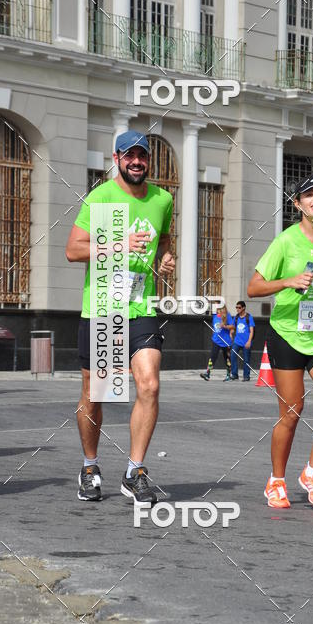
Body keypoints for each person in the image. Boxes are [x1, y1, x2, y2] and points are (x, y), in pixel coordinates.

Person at [65, 130, 174, 505]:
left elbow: (163, 238)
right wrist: (119, 244)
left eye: (142, 155)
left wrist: (164, 257)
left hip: (141, 307)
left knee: (149, 385)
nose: (137, 162)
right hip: (103, 308)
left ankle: (135, 471)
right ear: (117, 158)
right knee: (96, 395)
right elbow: (73, 249)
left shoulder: (162, 199)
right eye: (130, 155)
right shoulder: (101, 197)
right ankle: (90, 466)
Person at [247, 173, 313, 509]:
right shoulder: (285, 241)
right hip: (288, 335)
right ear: (298, 204)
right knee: (292, 412)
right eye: (310, 195)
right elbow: (253, 288)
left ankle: (312, 471)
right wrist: (288, 281)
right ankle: (276, 481)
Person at [201, 305, 234, 380]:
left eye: (220, 308)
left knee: (227, 359)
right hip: (216, 340)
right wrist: (214, 335)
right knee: (212, 357)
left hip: (226, 341)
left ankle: (228, 375)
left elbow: (232, 326)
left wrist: (225, 327)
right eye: (217, 308)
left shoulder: (227, 316)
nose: (218, 310)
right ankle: (207, 373)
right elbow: (214, 327)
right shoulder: (215, 317)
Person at [229, 300, 255, 381]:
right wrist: (231, 333)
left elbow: (251, 331)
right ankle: (234, 374)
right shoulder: (236, 317)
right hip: (237, 341)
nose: (237, 309)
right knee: (232, 355)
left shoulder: (249, 317)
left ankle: (246, 376)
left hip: (246, 342)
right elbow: (233, 327)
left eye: (239, 307)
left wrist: (249, 341)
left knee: (246, 359)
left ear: (243, 308)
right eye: (236, 307)